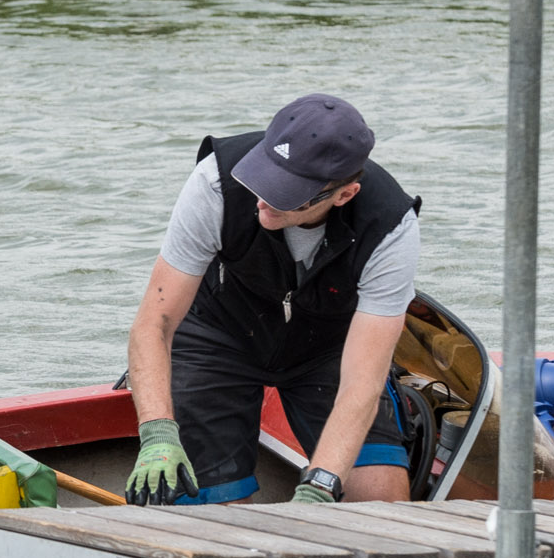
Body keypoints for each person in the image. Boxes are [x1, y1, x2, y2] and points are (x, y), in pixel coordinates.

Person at [123, 93, 422, 507]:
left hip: (327, 346)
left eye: (286, 192)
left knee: (381, 506)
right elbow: (153, 325)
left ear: (343, 195)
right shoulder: (216, 182)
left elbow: (361, 384)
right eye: (262, 177)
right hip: (218, 334)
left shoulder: (390, 228)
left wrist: (320, 485)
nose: (262, 198)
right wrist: (157, 432)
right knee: (211, 517)